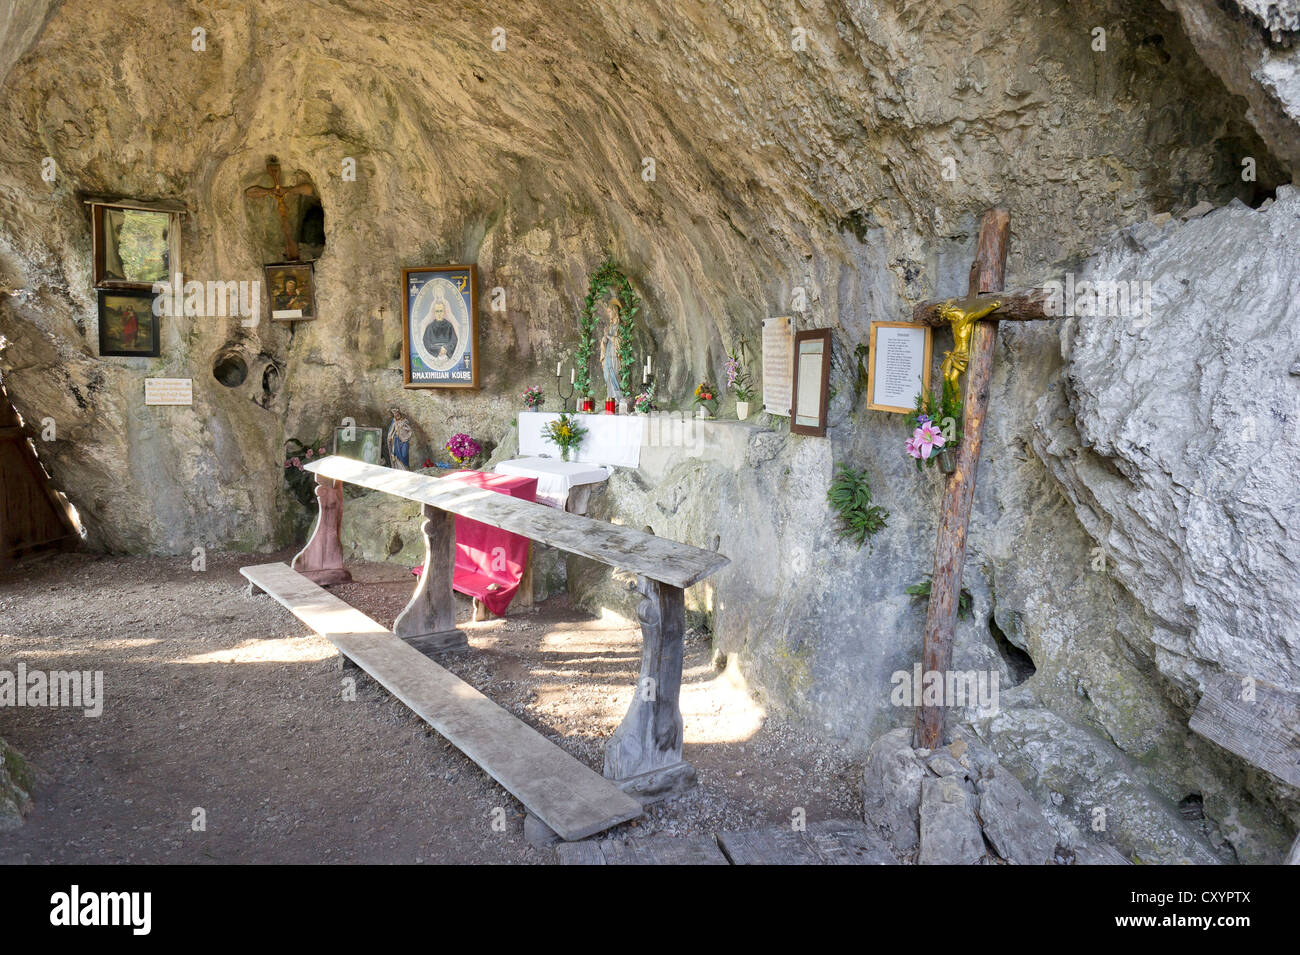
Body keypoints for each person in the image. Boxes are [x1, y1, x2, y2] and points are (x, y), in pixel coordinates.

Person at [421, 291, 459, 365]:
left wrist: (445, 349)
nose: (439, 313)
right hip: (434, 356)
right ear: (434, 313)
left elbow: (454, 340)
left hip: (446, 355)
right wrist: (438, 350)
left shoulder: (449, 326)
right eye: (437, 311)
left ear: (444, 312)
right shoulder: (429, 327)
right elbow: (426, 342)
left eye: (441, 311)